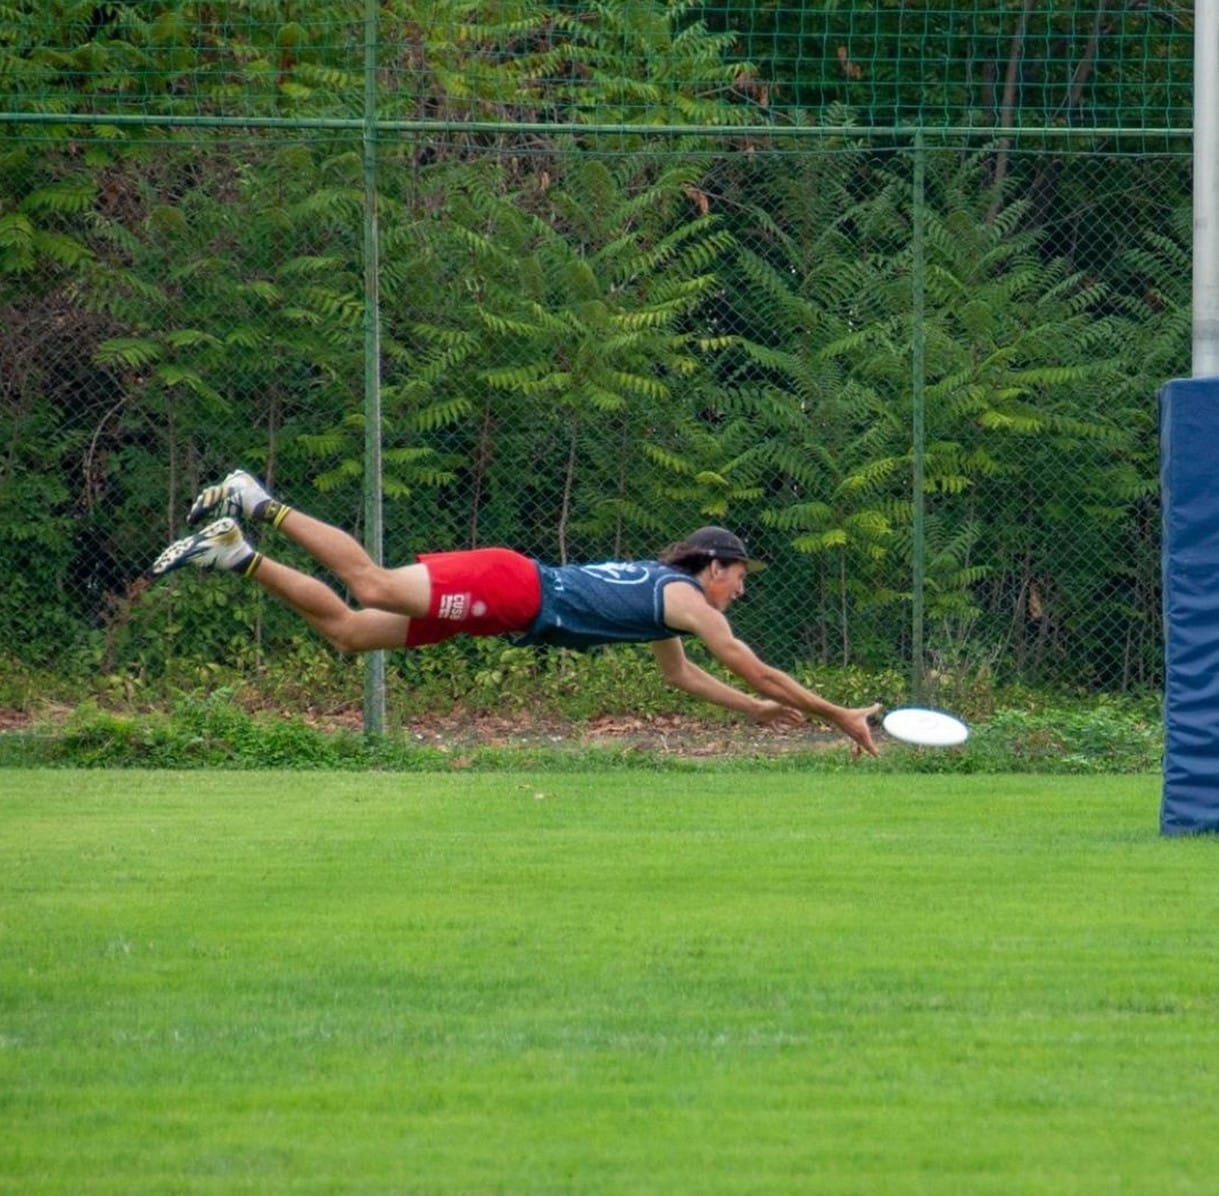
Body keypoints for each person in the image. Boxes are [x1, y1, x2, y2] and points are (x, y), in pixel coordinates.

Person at [151, 470, 880, 755]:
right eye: (739, 578)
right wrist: (836, 713)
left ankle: (232, 552)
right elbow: (753, 665)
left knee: (349, 634)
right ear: (713, 568)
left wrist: (749, 714)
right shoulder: (688, 598)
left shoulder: (669, 602)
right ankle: (256, 500)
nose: (740, 591)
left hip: (508, 608)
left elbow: (682, 679)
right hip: (511, 586)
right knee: (370, 585)